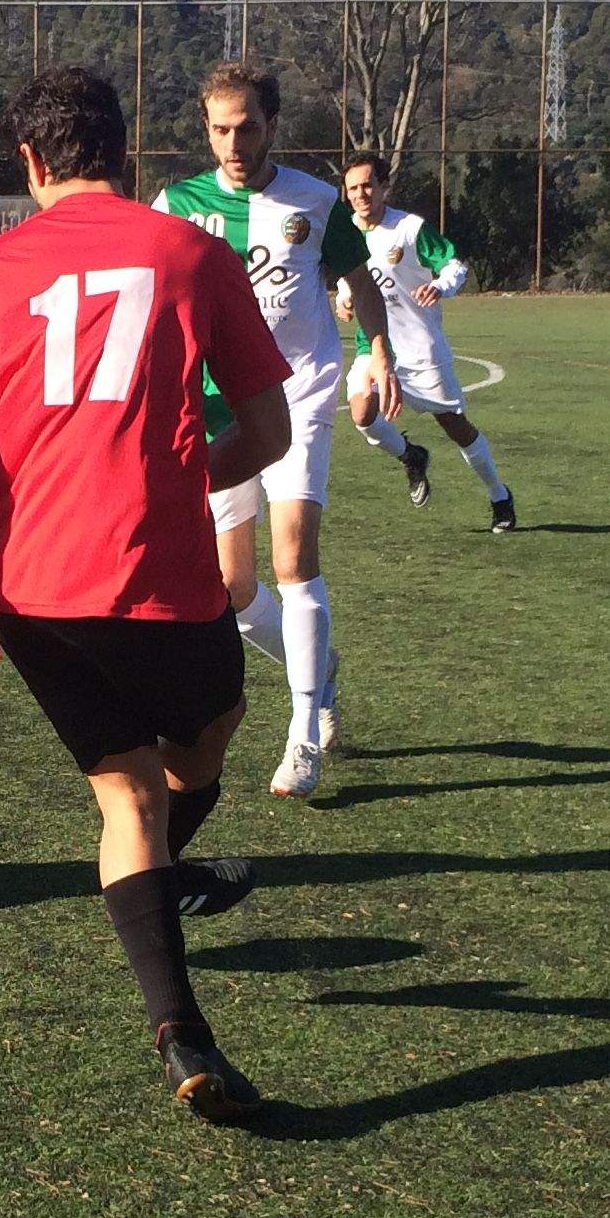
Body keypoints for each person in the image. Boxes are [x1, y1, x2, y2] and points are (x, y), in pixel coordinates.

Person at [0, 65, 292, 1121]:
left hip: (36, 598)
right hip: (164, 585)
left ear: (30, 161)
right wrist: (185, 475)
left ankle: (181, 1029)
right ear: (122, 151)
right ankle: (181, 962)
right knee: (204, 743)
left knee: (126, 798)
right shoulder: (192, 253)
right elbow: (268, 432)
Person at [152, 60, 396, 800]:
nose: (234, 142)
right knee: (233, 587)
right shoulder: (177, 204)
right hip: (212, 407)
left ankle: (303, 735)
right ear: (206, 127)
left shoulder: (317, 203)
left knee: (293, 561)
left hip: (299, 395)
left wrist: (376, 351)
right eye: (220, 128)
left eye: (247, 127)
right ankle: (318, 669)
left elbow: (359, 287)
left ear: (273, 125)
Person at [337, 151, 516, 530]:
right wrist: (343, 300)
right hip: (374, 346)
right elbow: (344, 277)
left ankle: (499, 494)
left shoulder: (410, 228)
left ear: (384, 185)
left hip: (421, 349)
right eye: (353, 187)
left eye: (367, 184)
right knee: (362, 414)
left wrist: (439, 285)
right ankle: (411, 456)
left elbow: (454, 265)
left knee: (456, 427)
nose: (361, 194)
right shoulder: (343, 230)